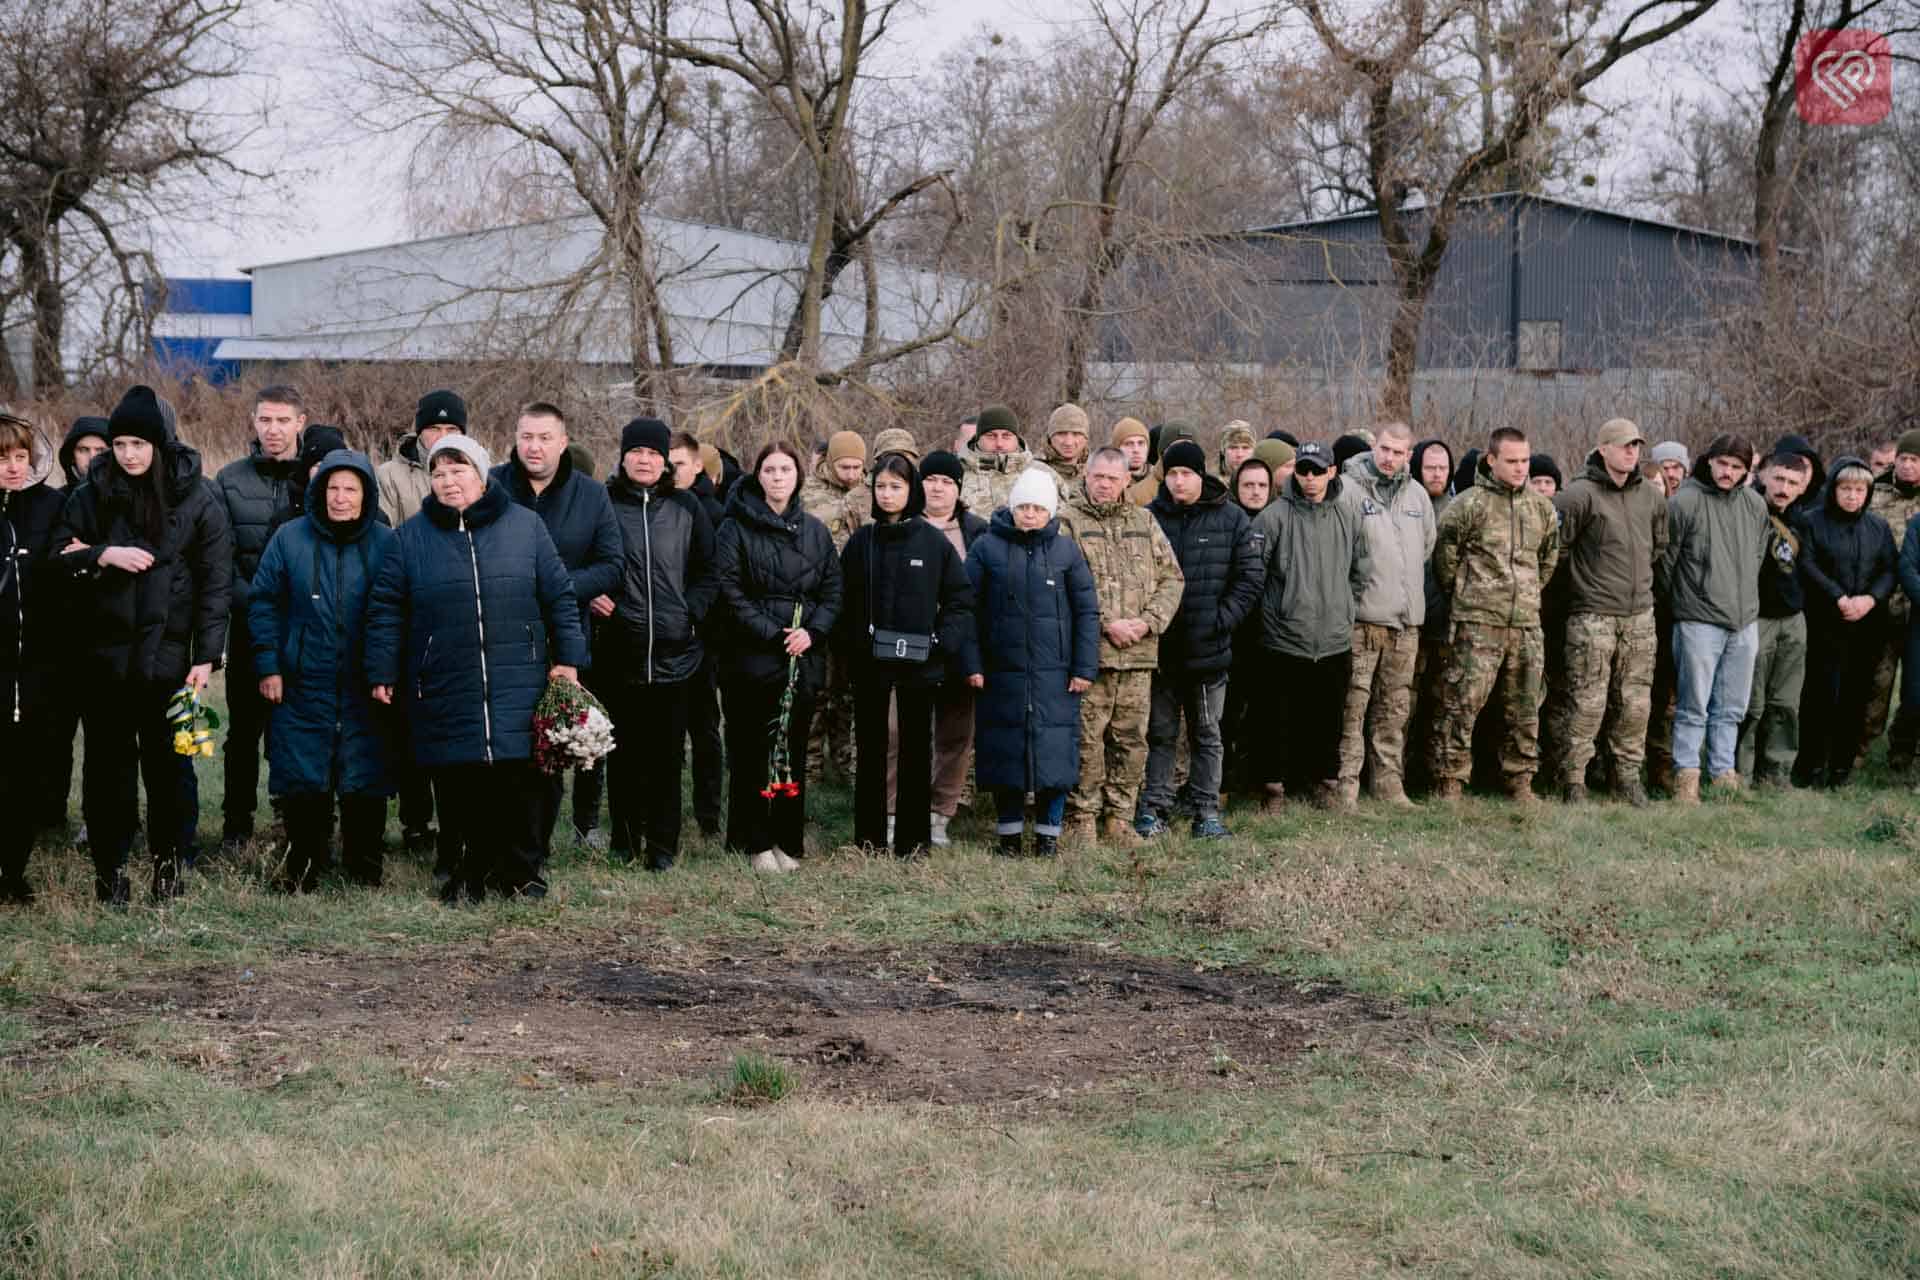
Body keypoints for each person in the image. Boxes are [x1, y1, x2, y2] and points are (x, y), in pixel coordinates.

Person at [365, 434, 586, 901]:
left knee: (522, 782)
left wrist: (568, 659)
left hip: (519, 678)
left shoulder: (525, 527)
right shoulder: (410, 539)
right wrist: (383, 669)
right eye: (439, 474)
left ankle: (523, 872)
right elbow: (386, 608)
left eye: (458, 471)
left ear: (481, 474)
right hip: (446, 680)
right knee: (460, 783)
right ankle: (468, 873)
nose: (448, 482)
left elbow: (560, 597)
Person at [54, 386, 232, 904]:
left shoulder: (197, 496)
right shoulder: (91, 493)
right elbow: (56, 556)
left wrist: (207, 655)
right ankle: (110, 874)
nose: (129, 454)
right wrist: (103, 554)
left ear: (159, 443)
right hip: (103, 662)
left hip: (172, 663)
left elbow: (215, 582)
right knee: (107, 772)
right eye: (121, 443)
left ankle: (170, 869)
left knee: (171, 770)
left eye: (139, 443)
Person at [248, 451, 398, 890]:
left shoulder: (387, 543)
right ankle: (304, 869)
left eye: (350, 489)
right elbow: (262, 604)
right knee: (302, 776)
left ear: (366, 494)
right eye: (332, 488)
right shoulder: (289, 539)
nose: (340, 497)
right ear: (318, 491)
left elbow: (397, 611)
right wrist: (268, 665)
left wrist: (386, 671)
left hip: (364, 683)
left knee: (364, 775)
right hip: (300, 679)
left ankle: (364, 867)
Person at [488, 402, 621, 854]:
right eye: (527, 437)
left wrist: (557, 585)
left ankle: (555, 838)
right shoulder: (493, 486)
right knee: (512, 743)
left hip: (566, 637)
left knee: (559, 742)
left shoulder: (590, 495)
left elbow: (611, 566)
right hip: (503, 636)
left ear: (563, 442)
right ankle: (503, 838)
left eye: (545, 438)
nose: (535, 447)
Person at [713, 442, 843, 874]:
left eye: (785, 469)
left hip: (801, 656)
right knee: (753, 749)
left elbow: (832, 590)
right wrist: (773, 632)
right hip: (752, 655)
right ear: (758, 476)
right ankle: (754, 840)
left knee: (792, 748)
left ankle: (787, 839)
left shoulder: (815, 531)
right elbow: (729, 590)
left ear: (798, 475)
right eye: (769, 470)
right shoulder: (735, 529)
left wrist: (813, 632)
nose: (778, 477)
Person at [838, 454, 974, 857]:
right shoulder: (862, 541)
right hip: (870, 665)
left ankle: (914, 843)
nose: (888, 494)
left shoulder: (932, 541)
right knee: (873, 747)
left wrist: (940, 643)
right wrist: (852, 644)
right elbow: (840, 599)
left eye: (896, 486)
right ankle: (869, 839)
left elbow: (960, 600)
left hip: (920, 664)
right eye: (881, 487)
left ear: (910, 490)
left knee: (917, 747)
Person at [597, 418, 716, 871]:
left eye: (653, 452)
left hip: (676, 653)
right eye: (636, 452)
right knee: (623, 753)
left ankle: (663, 846)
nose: (644, 460)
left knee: (667, 756)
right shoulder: (604, 504)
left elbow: (709, 571)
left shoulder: (687, 507)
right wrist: (595, 594)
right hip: (620, 650)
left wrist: (691, 614)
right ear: (623, 456)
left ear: (664, 459)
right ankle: (625, 838)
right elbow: (587, 560)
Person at [965, 468, 1100, 856]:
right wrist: (972, 664)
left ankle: (1047, 837)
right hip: (1000, 676)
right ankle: (1007, 837)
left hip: (1055, 677)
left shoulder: (1066, 552)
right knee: (1005, 754)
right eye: (1023, 506)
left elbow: (1087, 613)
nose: (1029, 514)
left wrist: (1083, 668)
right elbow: (965, 609)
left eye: (1037, 508)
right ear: (1012, 508)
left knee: (1054, 757)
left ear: (1050, 511)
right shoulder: (986, 548)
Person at [1056, 447, 1185, 846]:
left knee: (1131, 741)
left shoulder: (1145, 522)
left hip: (1138, 656)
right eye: (1099, 477)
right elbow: (1059, 589)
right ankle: (1081, 820)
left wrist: (1146, 623)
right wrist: (1104, 625)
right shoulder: (1067, 523)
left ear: (1127, 479)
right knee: (1087, 740)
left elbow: (1172, 579)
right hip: (1090, 657)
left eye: (1114, 478)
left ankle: (1119, 819)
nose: (1106, 484)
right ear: (1086, 476)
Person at [1427, 428, 1561, 803]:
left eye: (1525, 461)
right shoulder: (1470, 504)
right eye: (1512, 461)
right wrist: (1472, 593)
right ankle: (1450, 778)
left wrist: (1526, 596)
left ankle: (1519, 779)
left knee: (1524, 706)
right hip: (1477, 623)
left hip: (1525, 625)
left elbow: (1548, 560)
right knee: (1461, 703)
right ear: (1492, 460)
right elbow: (1445, 559)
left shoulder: (1541, 508)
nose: (1521, 468)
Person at [1141, 440, 1262, 837]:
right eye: (1173, 473)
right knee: (1160, 734)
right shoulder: (1147, 518)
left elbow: (1249, 578)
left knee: (1208, 735)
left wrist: (1219, 620)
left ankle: (1205, 811)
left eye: (1187, 473)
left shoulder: (1230, 519)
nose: (1179, 481)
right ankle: (1153, 809)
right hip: (1160, 651)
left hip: (1209, 652)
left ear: (1201, 474)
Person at [1542, 418, 1666, 806]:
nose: (1632, 452)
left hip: (1639, 615)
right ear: (1603, 449)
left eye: (1636, 446)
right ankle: (1573, 779)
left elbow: (1658, 546)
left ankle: (1626, 777)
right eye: (1624, 445)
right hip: (1592, 615)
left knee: (1635, 702)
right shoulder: (1578, 496)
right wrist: (1583, 587)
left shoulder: (1651, 497)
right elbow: (1554, 552)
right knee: (1586, 701)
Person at [213, 384, 307, 850]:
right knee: (244, 731)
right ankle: (237, 824)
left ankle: (292, 819)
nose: (273, 430)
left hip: (304, 628)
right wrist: (257, 604)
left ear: (300, 423)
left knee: (293, 729)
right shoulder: (230, 480)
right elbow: (220, 558)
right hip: (250, 623)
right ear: (254, 423)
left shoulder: (317, 475)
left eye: (282, 420)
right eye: (265, 420)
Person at [1248, 442, 1366, 809]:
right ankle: (1273, 790)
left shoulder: (1348, 515)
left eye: (1318, 471)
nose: (1310, 479)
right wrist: (1275, 618)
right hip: (1284, 638)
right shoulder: (1272, 517)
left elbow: (1359, 571)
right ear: (1294, 473)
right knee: (1276, 719)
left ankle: (1326, 785)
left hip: (1332, 639)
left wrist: (1344, 611)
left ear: (1332, 471)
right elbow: (1254, 576)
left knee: (1328, 719)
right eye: (1303, 471)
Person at [377, 390, 468, 853]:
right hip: (412, 609)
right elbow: (385, 535)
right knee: (412, 725)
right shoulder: (390, 476)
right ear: (420, 430)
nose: (442, 437)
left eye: (453, 431)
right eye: (435, 428)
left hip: (459, 616)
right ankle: (416, 820)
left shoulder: (475, 473)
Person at [1662, 434, 1768, 802]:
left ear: (1747, 471)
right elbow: (1666, 563)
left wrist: (1745, 608)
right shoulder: (1684, 502)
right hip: (1697, 619)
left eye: (1737, 467)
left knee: (1732, 706)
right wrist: (1680, 607)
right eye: (1723, 463)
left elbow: (1758, 557)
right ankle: (1685, 777)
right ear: (1709, 461)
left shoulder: (1755, 505)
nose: (1728, 472)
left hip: (1743, 620)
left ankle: (1723, 774)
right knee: (1694, 704)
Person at [1333, 422, 1434, 809]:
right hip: (1364, 622)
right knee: (1353, 709)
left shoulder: (1417, 496)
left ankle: (1389, 785)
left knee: (1394, 710)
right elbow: (1340, 553)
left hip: (1406, 625)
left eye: (1399, 452)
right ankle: (1345, 786)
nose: (1390, 458)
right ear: (1374, 448)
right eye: (1385, 450)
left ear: (1410, 454)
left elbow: (1426, 546)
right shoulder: (1348, 491)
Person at [901, 449, 988, 846]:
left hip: (959, 648)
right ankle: (896, 809)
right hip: (906, 649)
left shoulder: (978, 532)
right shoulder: (900, 525)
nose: (937, 488)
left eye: (947, 482)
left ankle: (941, 813)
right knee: (898, 731)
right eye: (930, 479)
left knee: (955, 733)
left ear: (959, 489)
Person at [1796, 458, 1895, 787]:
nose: (1852, 496)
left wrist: (1870, 599)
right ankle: (1810, 765)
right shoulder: (1812, 522)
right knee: (1819, 696)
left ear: (1867, 493)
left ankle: (1842, 768)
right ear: (1833, 489)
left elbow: (1889, 569)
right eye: (1846, 488)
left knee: (1855, 696)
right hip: (1824, 623)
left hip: (1866, 625)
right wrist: (1838, 597)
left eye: (1859, 490)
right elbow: (1807, 563)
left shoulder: (1878, 527)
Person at [0, 411, 66, 902]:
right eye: (3, 458)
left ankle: (14, 872)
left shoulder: (51, 506)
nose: (13, 467)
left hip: (39, 667)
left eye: (21, 456)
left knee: (27, 773)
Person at [36, 415, 111, 835]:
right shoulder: (53, 501)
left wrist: (92, 553)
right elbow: (51, 561)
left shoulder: (119, 501)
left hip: (107, 633)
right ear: (70, 456)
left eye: (100, 450)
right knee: (55, 732)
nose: (91, 459)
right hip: (59, 635)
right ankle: (49, 815)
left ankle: (98, 819)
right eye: (83, 450)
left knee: (104, 738)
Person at [1737, 448, 1815, 785]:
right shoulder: (1746, 511)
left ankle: (1776, 774)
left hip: (1793, 620)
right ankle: (1740, 772)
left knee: (1785, 703)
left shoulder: (1804, 519)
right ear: (1762, 476)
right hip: (1755, 618)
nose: (1784, 487)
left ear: (1802, 486)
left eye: (1792, 482)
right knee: (1750, 704)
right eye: (1779, 478)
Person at [667, 430, 727, 839]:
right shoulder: (655, 504)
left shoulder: (715, 512)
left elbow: (718, 576)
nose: (672, 472)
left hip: (704, 636)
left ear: (697, 466)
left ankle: (708, 815)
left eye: (679, 465)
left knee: (704, 729)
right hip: (660, 634)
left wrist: (697, 619)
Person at [801, 430, 868, 786]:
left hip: (856, 606)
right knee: (816, 688)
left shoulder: (870, 493)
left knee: (848, 690)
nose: (850, 473)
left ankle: (846, 760)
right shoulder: (808, 494)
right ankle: (808, 764)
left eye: (857, 466)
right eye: (844, 466)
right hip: (817, 603)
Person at [1862, 428, 1920, 769]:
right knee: (1877, 682)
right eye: (1904, 459)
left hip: (1918, 609)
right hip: (1882, 605)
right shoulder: (1875, 494)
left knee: (1914, 689)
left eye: (1915, 460)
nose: (1908, 466)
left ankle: (1905, 746)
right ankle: (1863, 748)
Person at [1643, 440, 1693, 793]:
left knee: (1668, 699)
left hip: (1676, 613)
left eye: (1676, 468)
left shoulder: (1688, 509)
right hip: (1643, 611)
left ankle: (1663, 768)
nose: (1671, 475)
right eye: (1665, 469)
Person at [1222, 458, 1274, 799]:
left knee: (1265, 711)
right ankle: (1223, 783)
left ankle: (1257, 781)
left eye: (1261, 486)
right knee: (1227, 712)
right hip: (1232, 631)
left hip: (1272, 631)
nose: (1255, 492)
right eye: (1248, 485)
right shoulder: (1225, 520)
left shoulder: (1280, 519)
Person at [962, 405, 1055, 517]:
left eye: (1006, 436)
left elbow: (1063, 518)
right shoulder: (958, 472)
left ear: (1017, 439)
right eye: (991, 436)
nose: (999, 443)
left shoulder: (1043, 474)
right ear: (978, 439)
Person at [1041, 404, 1091, 502]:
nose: (1068, 442)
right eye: (1061, 434)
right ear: (1050, 437)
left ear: (1086, 439)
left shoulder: (1095, 474)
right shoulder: (1035, 471)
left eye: (1076, 434)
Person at [1109, 418, 1158, 506]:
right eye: (1128, 444)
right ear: (1117, 448)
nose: (1136, 450)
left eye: (1141, 443)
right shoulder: (1108, 480)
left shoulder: (1158, 478)